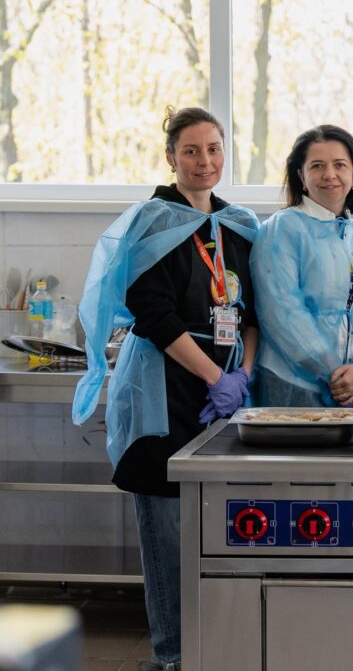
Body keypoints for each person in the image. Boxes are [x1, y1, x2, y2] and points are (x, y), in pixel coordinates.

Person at [72, 107, 259, 671]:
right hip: (166, 392)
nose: (205, 161)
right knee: (168, 534)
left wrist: (242, 375)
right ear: (171, 158)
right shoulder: (153, 224)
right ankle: (174, 655)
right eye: (192, 151)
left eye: (214, 149)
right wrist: (214, 376)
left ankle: (216, 651)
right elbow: (152, 314)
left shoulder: (239, 226)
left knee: (220, 533)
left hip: (226, 394)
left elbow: (255, 313)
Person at [250, 124, 353, 412]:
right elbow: (282, 312)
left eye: (340, 165)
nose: (330, 174)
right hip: (293, 384)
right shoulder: (280, 230)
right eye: (317, 166)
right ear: (301, 177)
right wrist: (334, 374)